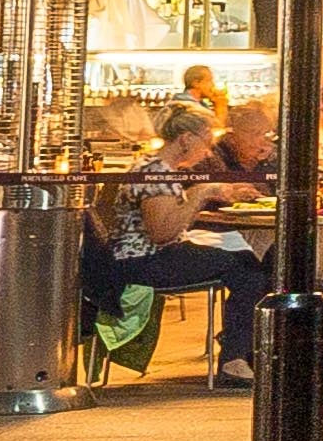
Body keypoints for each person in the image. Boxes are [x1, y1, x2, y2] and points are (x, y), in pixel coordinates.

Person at [91, 108, 271, 387]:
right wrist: (202, 193)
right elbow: (162, 232)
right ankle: (235, 357)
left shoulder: (159, 169)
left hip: (141, 255)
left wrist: (210, 194)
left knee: (245, 260)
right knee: (248, 271)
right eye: (206, 142)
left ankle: (241, 348)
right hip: (142, 261)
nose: (209, 152)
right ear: (186, 139)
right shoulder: (154, 173)